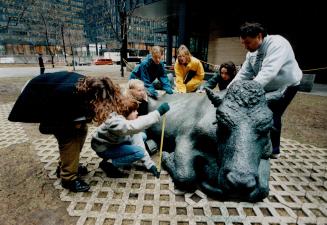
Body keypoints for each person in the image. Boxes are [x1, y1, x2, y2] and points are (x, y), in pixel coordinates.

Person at [8, 71, 123, 192]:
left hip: (57, 98)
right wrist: (74, 122)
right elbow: (47, 125)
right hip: (37, 97)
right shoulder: (67, 94)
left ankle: (65, 166)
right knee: (69, 139)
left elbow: (84, 112)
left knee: (81, 129)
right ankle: (68, 179)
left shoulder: (89, 88)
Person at [228, 22, 303, 159]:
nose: (245, 47)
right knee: (258, 112)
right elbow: (243, 74)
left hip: (287, 85)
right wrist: (228, 91)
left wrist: (249, 90)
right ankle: (259, 143)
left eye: (248, 43)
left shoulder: (277, 44)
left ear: (259, 36)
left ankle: (274, 150)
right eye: (243, 44)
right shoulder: (251, 53)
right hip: (266, 87)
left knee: (272, 114)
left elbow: (268, 72)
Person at [91, 97, 170, 178]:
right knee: (139, 152)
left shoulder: (126, 122)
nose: (137, 113)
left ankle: (117, 155)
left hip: (113, 143)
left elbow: (138, 138)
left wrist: (150, 165)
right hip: (103, 149)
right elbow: (136, 126)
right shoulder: (115, 124)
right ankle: (110, 163)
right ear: (125, 113)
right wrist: (158, 112)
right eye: (134, 111)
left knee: (142, 136)